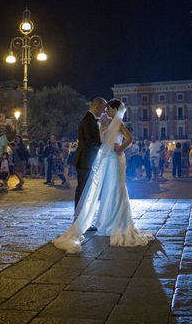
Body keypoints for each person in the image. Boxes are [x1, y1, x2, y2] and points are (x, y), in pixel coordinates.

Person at [52, 99, 154, 253]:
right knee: (108, 189)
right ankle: (108, 219)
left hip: (115, 158)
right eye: (104, 109)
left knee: (117, 188)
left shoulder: (117, 123)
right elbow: (96, 140)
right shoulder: (102, 122)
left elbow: (129, 138)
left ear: (114, 109)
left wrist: (120, 148)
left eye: (108, 109)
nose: (106, 111)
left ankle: (118, 220)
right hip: (106, 159)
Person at [72, 97, 106, 213]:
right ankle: (79, 217)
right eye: (103, 108)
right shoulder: (88, 120)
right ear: (97, 106)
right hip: (85, 161)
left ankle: (81, 217)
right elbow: (90, 141)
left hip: (87, 160)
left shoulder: (90, 119)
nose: (103, 111)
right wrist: (104, 146)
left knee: (85, 190)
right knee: (83, 190)